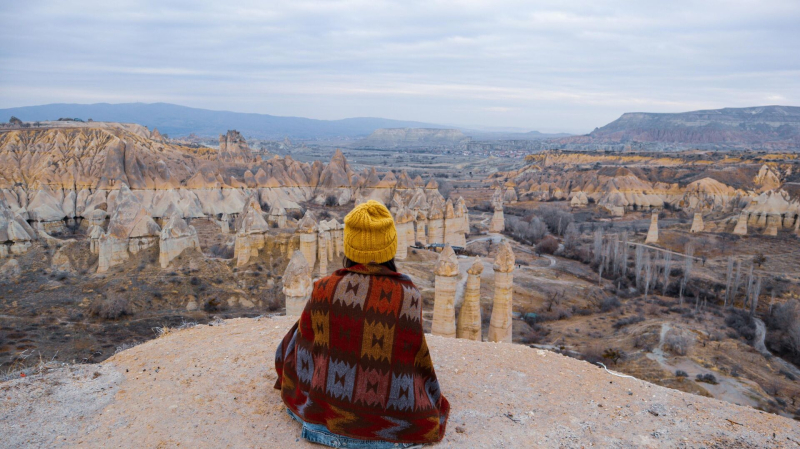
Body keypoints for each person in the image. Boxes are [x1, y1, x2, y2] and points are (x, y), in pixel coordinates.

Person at [275, 200, 450, 448]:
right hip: (390, 435)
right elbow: (413, 358)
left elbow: (303, 344)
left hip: (320, 423)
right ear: (389, 247)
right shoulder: (408, 296)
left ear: (349, 248)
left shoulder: (324, 288)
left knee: (301, 330)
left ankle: (328, 403)